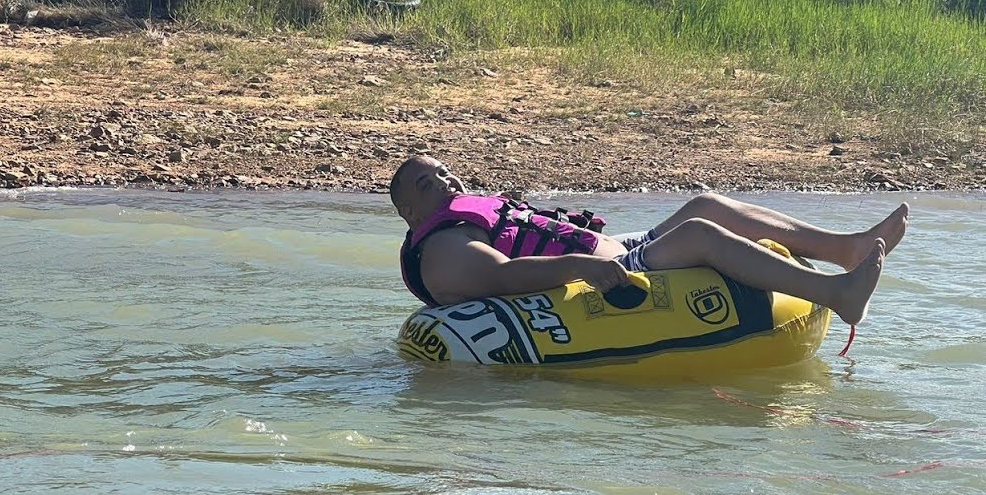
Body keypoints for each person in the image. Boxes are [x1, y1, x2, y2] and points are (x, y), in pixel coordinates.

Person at [389, 155, 908, 326]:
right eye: (425, 182)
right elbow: (501, 277)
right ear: (409, 212)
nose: (446, 182)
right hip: (603, 272)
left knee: (706, 203)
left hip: (617, 247)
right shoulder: (442, 248)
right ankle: (837, 295)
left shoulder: (464, 217)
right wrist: (584, 267)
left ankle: (846, 248)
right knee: (701, 233)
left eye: (445, 172)